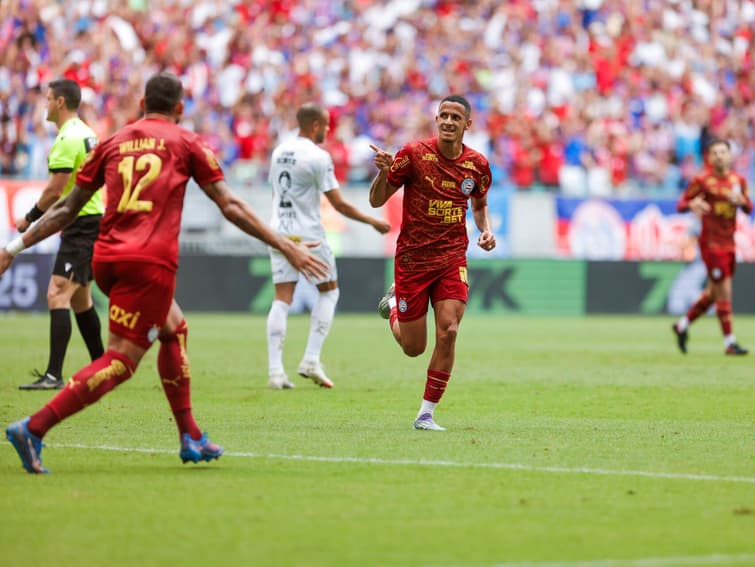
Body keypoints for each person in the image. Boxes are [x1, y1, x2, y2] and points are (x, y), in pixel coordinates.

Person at [2, 72, 328, 474]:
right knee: (120, 360)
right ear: (180, 108)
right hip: (148, 262)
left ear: (142, 103)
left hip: (106, 258)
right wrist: (285, 245)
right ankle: (33, 428)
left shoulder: (114, 141)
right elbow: (230, 206)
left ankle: (190, 435)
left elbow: (67, 208)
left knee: (174, 327)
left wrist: (13, 248)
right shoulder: (186, 142)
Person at [368, 95, 496, 431]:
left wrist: (486, 231)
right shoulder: (413, 154)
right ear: (436, 120)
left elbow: (480, 205)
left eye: (456, 117)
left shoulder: (478, 166)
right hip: (412, 259)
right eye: (443, 115)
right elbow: (376, 200)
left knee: (449, 330)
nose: (449, 122)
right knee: (413, 348)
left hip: (452, 257)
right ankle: (394, 304)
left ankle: (425, 414)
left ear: (468, 124)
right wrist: (383, 174)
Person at [265, 102, 390, 390]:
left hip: (280, 234)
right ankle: (310, 358)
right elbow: (339, 203)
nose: (328, 131)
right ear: (316, 126)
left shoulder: (279, 151)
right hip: (308, 236)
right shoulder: (318, 157)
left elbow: (276, 192)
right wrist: (371, 220)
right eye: (327, 126)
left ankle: (275, 372)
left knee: (281, 300)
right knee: (329, 293)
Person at [17, 79, 105, 390]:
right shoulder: (87, 132)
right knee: (80, 299)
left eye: (48, 99)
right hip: (89, 219)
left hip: (81, 223)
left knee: (57, 293)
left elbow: (55, 190)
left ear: (60, 103)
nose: (44, 104)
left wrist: (29, 219)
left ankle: (54, 375)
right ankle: (102, 366)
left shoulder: (68, 138)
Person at [671, 138, 752, 355]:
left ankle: (682, 326)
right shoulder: (702, 180)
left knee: (714, 294)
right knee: (724, 292)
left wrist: (742, 202)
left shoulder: (738, 180)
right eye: (715, 153)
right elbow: (680, 204)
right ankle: (729, 343)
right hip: (710, 244)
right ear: (709, 157)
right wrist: (692, 204)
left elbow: (749, 208)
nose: (719, 156)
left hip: (729, 243)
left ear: (729, 155)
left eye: (723, 152)